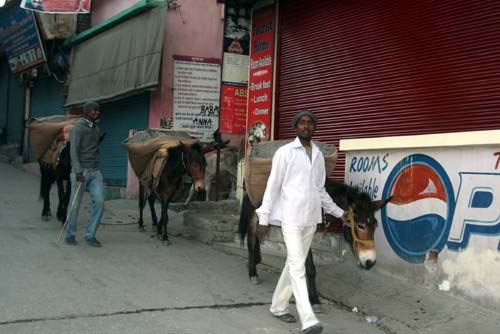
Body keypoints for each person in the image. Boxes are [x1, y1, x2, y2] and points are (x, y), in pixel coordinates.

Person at [256, 110, 346, 334]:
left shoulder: (317, 155)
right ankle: (308, 319)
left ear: (314, 128)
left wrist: (339, 213)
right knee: (298, 267)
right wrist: (264, 218)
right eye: (302, 123)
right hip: (291, 218)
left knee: (292, 264)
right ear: (295, 127)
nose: (307, 126)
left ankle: (278, 306)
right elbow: (273, 186)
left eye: (310, 123)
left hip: (311, 219)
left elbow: (320, 190)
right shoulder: (285, 153)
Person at [65, 101, 105, 247]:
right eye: (94, 110)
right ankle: (70, 234)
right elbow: (73, 150)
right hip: (80, 171)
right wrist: (77, 171)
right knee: (74, 205)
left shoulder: (96, 129)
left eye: (98, 110)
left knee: (100, 202)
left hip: (95, 171)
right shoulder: (77, 129)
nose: (97, 112)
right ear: (87, 111)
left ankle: (90, 235)